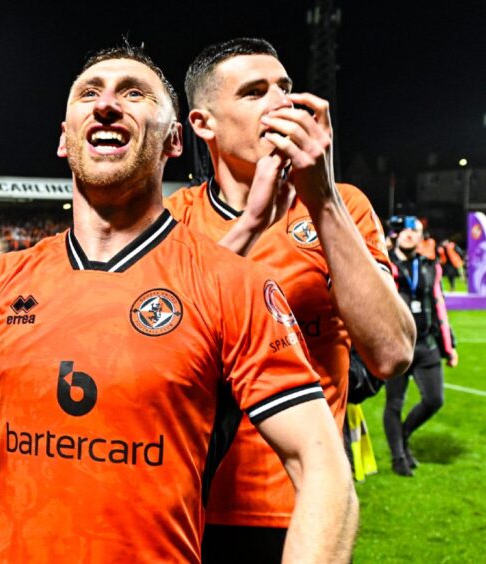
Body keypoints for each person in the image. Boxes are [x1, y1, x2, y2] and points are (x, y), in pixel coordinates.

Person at [0, 45, 357, 563]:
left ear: (175, 139)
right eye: (89, 93)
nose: (107, 105)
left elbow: (324, 469)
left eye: (134, 93)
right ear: (65, 138)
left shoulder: (234, 284)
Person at [164, 37, 415, 561]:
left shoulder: (343, 206)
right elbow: (158, 352)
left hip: (304, 509)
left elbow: (392, 352)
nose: (280, 103)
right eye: (254, 92)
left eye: (286, 87)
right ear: (204, 124)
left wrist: (321, 198)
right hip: (187, 506)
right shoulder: (177, 218)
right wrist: (253, 225)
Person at [384, 216, 458, 476]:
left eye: (413, 231)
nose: (408, 234)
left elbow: (439, 305)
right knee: (394, 403)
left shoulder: (429, 266)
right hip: (396, 345)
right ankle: (398, 458)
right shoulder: (384, 264)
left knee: (435, 399)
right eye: (403, 230)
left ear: (421, 236)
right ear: (395, 234)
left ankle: (403, 434)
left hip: (426, 344)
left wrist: (449, 346)